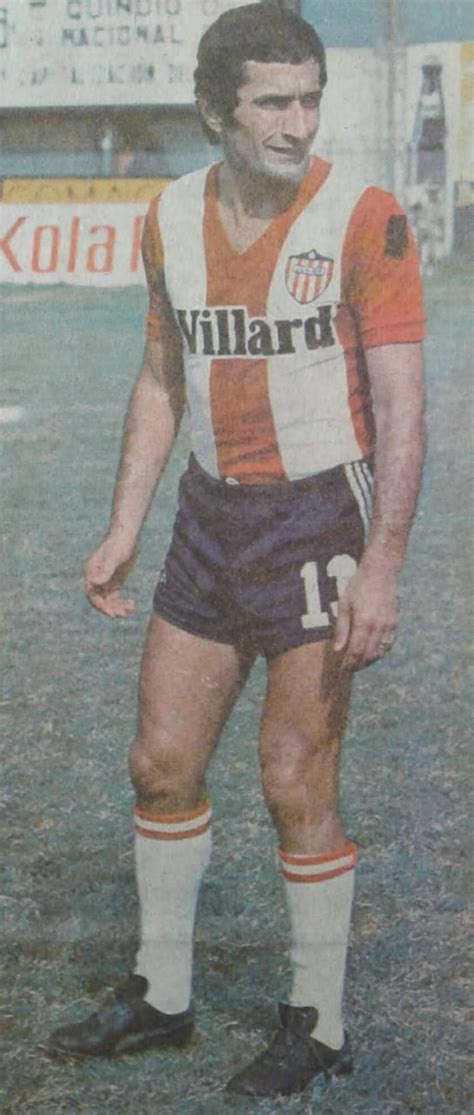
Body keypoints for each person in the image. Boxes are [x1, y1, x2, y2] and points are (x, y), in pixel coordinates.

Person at [48, 2, 426, 1098]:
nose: (296, 122)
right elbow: (161, 376)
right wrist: (125, 522)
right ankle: (163, 993)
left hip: (320, 517)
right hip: (210, 517)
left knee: (294, 776)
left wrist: (384, 565)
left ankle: (319, 1020)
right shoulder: (169, 216)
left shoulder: (364, 216)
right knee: (160, 762)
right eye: (272, 101)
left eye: (309, 99)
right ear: (216, 110)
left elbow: (404, 411)